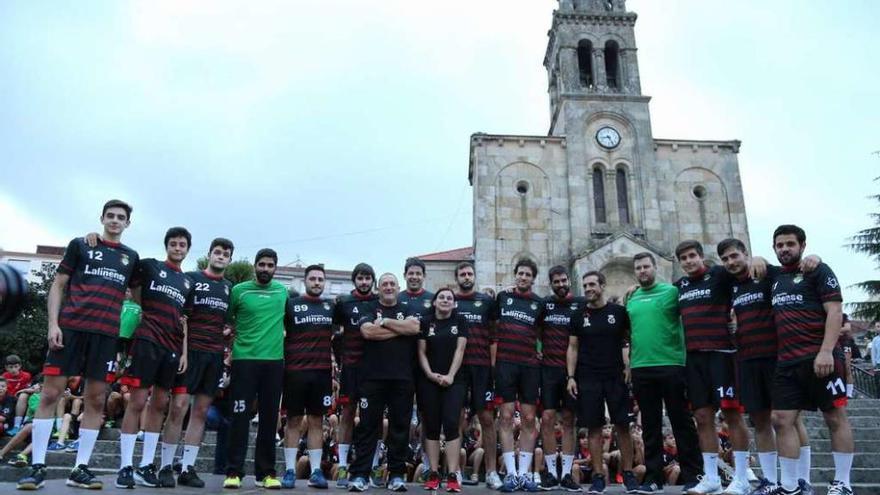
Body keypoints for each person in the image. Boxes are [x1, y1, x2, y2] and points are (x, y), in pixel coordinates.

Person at [17, 200, 139, 491]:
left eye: (120, 217)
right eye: (110, 216)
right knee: (49, 395)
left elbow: (139, 296)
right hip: (70, 329)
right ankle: (37, 466)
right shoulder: (81, 245)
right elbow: (58, 284)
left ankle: (79, 468)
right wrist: (53, 324)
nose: (114, 221)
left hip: (106, 336)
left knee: (96, 400)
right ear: (102, 218)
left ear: (127, 224)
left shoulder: (131, 257)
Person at [717, 238, 816, 495]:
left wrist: (762, 258)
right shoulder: (731, 285)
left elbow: (794, 271)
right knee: (760, 421)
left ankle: (801, 480)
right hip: (748, 359)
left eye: (734, 256)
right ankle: (770, 481)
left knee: (790, 420)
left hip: (778, 357)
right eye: (725, 259)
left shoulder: (768, 273)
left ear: (745, 254)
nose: (730, 262)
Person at [769, 225, 854, 495]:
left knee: (834, 417)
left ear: (802, 246)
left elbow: (835, 311)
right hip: (786, 362)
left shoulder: (818, 270)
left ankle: (843, 483)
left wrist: (826, 350)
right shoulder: (774, 278)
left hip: (821, 358)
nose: (784, 249)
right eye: (779, 245)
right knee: (781, 420)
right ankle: (791, 486)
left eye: (790, 244)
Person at [673, 240, 755, 495]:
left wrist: (757, 261)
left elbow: (745, 276)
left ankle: (742, 476)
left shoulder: (720, 274)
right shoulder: (680, 286)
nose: (688, 261)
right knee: (702, 417)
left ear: (701, 257)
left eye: (692, 256)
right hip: (694, 358)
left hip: (723, 354)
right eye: (684, 258)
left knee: (732, 415)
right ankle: (711, 478)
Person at [115, 227, 194, 489]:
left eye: (182, 245)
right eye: (174, 244)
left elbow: (183, 319)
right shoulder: (149, 266)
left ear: (187, 249)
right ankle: (126, 466)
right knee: (137, 401)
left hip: (171, 347)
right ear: (167, 246)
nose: (178, 248)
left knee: (160, 404)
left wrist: (183, 352)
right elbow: (134, 290)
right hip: (147, 340)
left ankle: (147, 465)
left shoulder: (187, 282)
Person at [625, 252, 701, 494]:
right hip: (641, 367)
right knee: (650, 425)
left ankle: (693, 474)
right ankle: (653, 477)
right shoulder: (631, 296)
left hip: (671, 364)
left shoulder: (672, 292)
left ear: (655, 268)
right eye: (638, 268)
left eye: (646, 266)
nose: (642, 271)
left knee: (682, 421)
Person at [161, 238, 235, 488]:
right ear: (210, 254)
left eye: (226, 254)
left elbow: (229, 323)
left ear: (230, 259)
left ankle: (187, 467)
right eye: (217, 252)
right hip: (189, 352)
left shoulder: (229, 288)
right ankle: (165, 466)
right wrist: (181, 350)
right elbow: (180, 316)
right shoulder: (192, 278)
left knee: (200, 412)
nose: (221, 256)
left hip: (214, 356)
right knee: (178, 407)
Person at [348, 273, 420, 493]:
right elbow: (368, 332)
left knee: (399, 428)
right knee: (368, 427)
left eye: (392, 284)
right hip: (372, 378)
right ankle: (360, 475)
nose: (388, 287)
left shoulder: (408, 308)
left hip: (402, 378)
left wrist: (387, 322)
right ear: (378, 288)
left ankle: (396, 475)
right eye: (384, 284)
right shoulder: (368, 308)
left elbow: (414, 329)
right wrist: (400, 330)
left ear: (398, 287)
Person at [223, 248, 289, 489]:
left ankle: (266, 474)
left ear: (275, 268)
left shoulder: (282, 292)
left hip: (274, 363)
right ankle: (234, 472)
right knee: (239, 418)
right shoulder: (239, 291)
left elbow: (289, 323)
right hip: (244, 361)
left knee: (270, 420)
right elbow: (228, 321)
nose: (265, 269)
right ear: (255, 266)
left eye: (270, 265)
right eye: (262, 264)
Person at [568, 270, 637, 494]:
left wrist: (628, 366)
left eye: (592, 285)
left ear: (602, 285)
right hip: (588, 377)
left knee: (622, 426)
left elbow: (628, 340)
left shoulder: (618, 312)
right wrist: (570, 376)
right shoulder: (578, 315)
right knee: (594, 428)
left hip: (615, 376)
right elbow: (573, 347)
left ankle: (628, 474)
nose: (588, 289)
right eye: (585, 285)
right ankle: (598, 477)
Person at [281, 264, 336, 489]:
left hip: (321, 373)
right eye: (312, 279)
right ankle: (290, 470)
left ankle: (315, 471)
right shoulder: (291, 305)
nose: (316, 282)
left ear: (324, 283)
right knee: (293, 420)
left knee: (316, 420)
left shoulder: (331, 306)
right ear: (305, 281)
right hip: (295, 372)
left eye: (320, 279)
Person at [494, 258, 545, 492]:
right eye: (520, 273)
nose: (523, 277)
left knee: (527, 418)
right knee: (505, 417)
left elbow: (544, 333)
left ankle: (525, 474)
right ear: (515, 275)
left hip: (529, 367)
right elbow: (491, 328)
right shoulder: (502, 298)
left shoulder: (539, 303)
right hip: (505, 364)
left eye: (528, 274)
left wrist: (541, 354)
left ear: (533, 278)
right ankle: (511, 474)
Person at [453, 261, 502, 489]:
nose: (466, 276)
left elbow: (494, 336)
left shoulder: (486, 302)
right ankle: (455, 471)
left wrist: (493, 367)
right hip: (457, 368)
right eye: (462, 274)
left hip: (482, 367)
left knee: (487, 419)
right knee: (458, 419)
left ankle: (491, 472)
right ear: (457, 278)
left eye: (469, 273)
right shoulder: (450, 301)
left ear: (474, 276)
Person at [417, 288, 468, 492]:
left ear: (454, 303)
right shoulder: (425, 321)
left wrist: (450, 376)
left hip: (454, 380)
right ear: (435, 302)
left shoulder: (460, 321)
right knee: (431, 426)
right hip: (429, 380)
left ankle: (453, 474)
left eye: (449, 298)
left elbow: (460, 349)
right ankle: (434, 473)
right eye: (442, 297)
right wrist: (430, 374)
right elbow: (421, 351)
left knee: (451, 424)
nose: (445, 300)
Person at [333, 263, 378, 488]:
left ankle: (374, 465)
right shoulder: (343, 303)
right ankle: (342, 465)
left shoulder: (378, 302)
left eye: (367, 278)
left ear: (373, 281)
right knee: (348, 413)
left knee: (373, 417)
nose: (364, 282)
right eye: (360, 278)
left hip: (373, 369)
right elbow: (334, 334)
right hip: (350, 368)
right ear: (355, 280)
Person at [538, 266, 582, 492]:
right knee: (546, 418)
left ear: (569, 281)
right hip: (548, 369)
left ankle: (565, 473)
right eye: (556, 281)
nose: (561, 284)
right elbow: (534, 330)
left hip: (573, 371)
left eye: (564, 280)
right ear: (551, 283)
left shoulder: (580, 304)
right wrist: (537, 349)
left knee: (568, 420)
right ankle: (550, 473)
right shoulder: (545, 305)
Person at [5, 355, 33, 437]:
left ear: (20, 366)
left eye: (16, 366)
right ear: (6, 368)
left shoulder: (26, 376)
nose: (13, 369)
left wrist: (20, 392)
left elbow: (30, 389)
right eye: (10, 367)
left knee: (23, 396)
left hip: (21, 398)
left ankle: (17, 426)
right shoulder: (4, 377)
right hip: (9, 399)